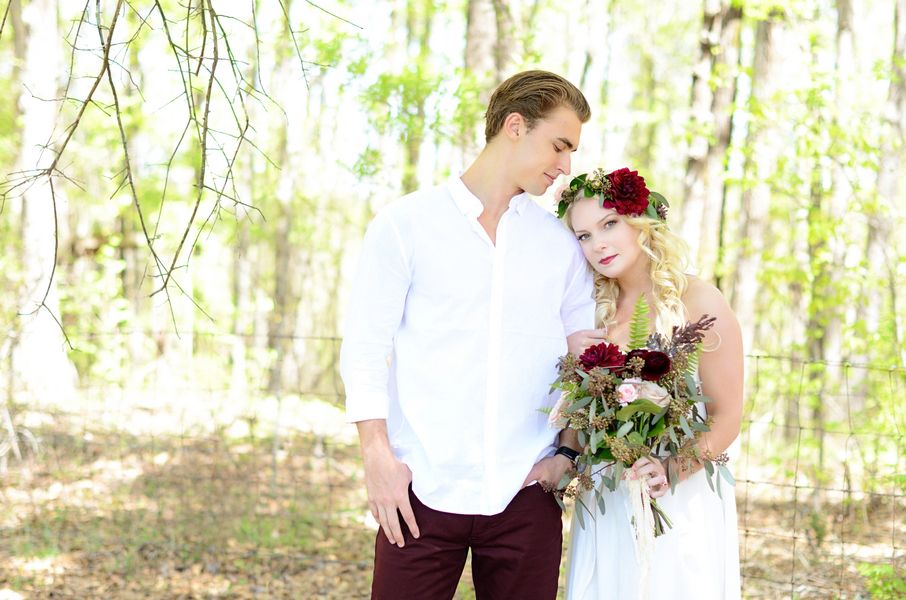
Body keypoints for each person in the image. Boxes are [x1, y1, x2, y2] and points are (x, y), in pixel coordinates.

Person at [340, 70, 596, 599]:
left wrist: (566, 457)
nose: (566, 165)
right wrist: (377, 460)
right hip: (419, 493)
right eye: (560, 145)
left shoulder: (561, 247)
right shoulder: (405, 225)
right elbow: (365, 349)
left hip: (526, 497)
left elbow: (587, 366)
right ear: (515, 126)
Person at [559, 168, 743, 599]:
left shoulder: (697, 300)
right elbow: (576, 409)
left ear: (640, 221)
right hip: (608, 494)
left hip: (681, 498)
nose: (598, 243)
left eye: (609, 224)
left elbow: (728, 414)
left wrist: (670, 469)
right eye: (583, 236)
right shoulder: (588, 308)